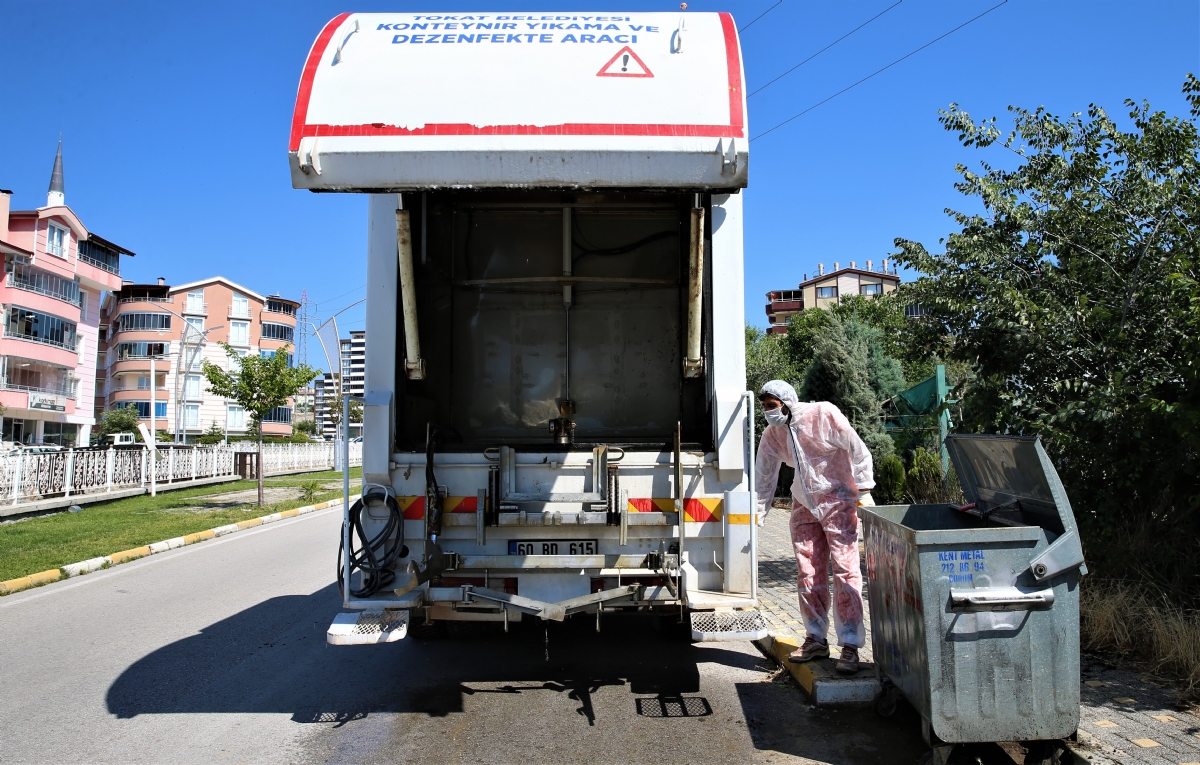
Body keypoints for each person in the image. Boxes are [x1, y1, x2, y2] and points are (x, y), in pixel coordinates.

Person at [754, 380, 874, 674]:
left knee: (846, 569)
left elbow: (857, 449)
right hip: (804, 503)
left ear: (787, 401)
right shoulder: (773, 434)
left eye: (773, 405)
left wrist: (864, 487)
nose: (769, 412)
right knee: (808, 571)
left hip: (839, 500)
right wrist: (757, 514)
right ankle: (816, 638)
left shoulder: (824, 414)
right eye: (765, 407)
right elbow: (764, 474)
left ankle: (849, 645)